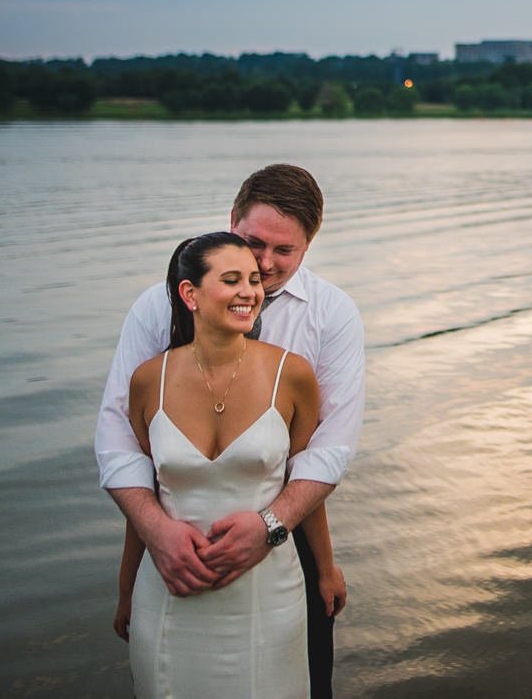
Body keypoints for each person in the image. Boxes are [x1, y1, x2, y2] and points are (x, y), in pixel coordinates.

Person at [98, 165, 364, 697]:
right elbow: (123, 441)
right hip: (173, 538)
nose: (264, 266)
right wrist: (154, 534)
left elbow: (324, 452)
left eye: (284, 251)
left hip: (289, 528)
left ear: (309, 246)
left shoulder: (331, 316)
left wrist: (274, 527)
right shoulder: (157, 307)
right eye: (253, 243)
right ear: (231, 221)